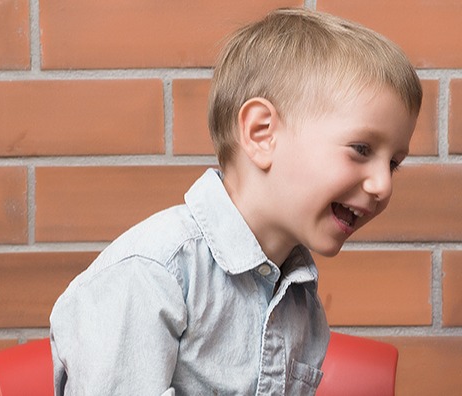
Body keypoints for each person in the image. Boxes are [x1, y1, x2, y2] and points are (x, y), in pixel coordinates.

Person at [48, 7, 421, 395]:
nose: (383, 186)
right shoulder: (152, 275)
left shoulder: (301, 304)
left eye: (393, 164)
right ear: (262, 134)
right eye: (361, 149)